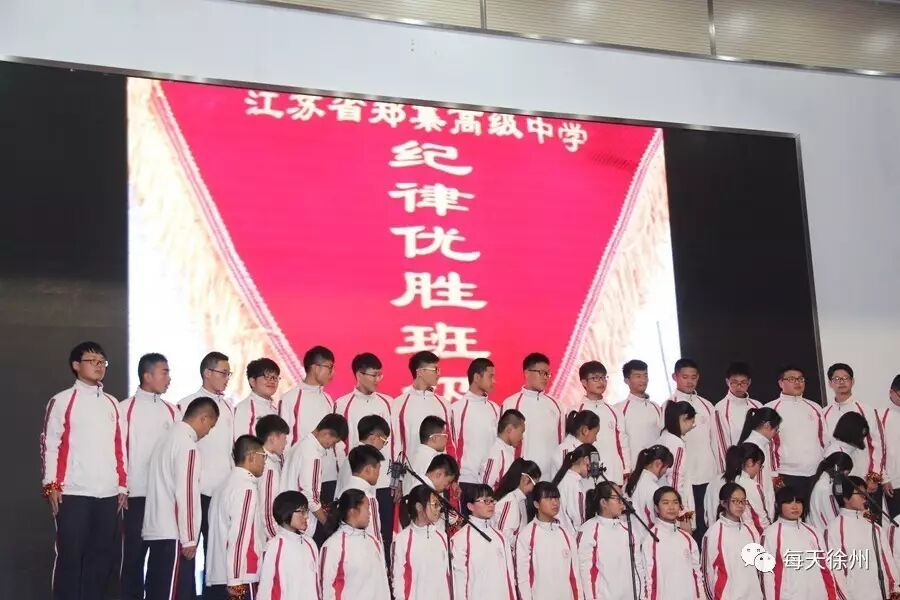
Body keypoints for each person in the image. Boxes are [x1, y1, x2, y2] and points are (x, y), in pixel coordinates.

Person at [41, 341, 127, 600]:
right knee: (70, 557)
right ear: (76, 365)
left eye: (102, 362)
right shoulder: (62, 401)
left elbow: (120, 447)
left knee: (100, 560)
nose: (99, 366)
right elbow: (50, 444)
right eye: (92, 361)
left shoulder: (112, 403)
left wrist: (122, 486)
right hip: (73, 492)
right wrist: (51, 484)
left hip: (108, 494)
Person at [143, 396, 219, 600]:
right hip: (174, 533)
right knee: (174, 593)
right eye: (210, 426)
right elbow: (186, 493)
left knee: (156, 591)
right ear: (203, 418)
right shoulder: (187, 446)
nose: (208, 432)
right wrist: (189, 538)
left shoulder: (165, 440)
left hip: (156, 530)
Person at [120, 352, 176, 600]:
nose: (169, 378)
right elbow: (117, 453)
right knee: (132, 558)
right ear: (147, 375)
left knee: (162, 561)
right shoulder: (124, 409)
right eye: (164, 372)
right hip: (135, 497)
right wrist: (122, 488)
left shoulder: (173, 411)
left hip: (165, 499)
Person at [176, 351, 235, 565]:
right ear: (207, 373)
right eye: (223, 373)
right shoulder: (185, 404)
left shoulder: (228, 406)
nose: (227, 378)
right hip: (195, 491)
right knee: (187, 553)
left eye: (229, 374)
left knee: (218, 555)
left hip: (222, 492)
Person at [333, 353, 393, 542]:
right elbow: (339, 445)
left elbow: (395, 443)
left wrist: (396, 479)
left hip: (383, 482)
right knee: (356, 532)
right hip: (355, 480)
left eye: (379, 375)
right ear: (359, 374)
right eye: (373, 375)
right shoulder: (343, 404)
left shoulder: (388, 402)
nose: (377, 379)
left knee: (384, 534)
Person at [205, 435, 267, 600]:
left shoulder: (221, 487)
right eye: (263, 456)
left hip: (218, 575)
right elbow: (239, 536)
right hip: (241, 578)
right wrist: (235, 582)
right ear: (251, 456)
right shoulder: (246, 488)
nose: (265, 462)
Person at [279, 346, 339, 506]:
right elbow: (284, 441)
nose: (332, 373)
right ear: (315, 367)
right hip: (302, 476)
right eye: (329, 367)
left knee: (327, 520)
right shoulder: (290, 398)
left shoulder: (328, 399)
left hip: (328, 476)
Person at [824, 475, 900, 600]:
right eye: (860, 493)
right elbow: (836, 571)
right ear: (845, 498)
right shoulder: (834, 529)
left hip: (882, 594)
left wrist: (895, 591)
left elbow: (887, 561)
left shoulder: (874, 527)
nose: (865, 497)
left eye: (865, 493)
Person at [668, 358, 718, 544]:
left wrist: (719, 472)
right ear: (675, 377)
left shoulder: (707, 405)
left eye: (693, 377)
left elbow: (716, 442)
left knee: (708, 521)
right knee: (687, 525)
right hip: (684, 477)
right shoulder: (668, 405)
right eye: (685, 377)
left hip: (707, 473)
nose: (689, 381)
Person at [281, 413, 348, 546]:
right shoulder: (312, 454)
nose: (331, 446)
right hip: (303, 525)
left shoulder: (300, 445)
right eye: (334, 442)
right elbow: (310, 497)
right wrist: (327, 524)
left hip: (289, 519)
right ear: (326, 433)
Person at [761, 486, 840, 600]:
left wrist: (832, 597)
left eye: (798, 502)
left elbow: (825, 568)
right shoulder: (770, 534)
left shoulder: (813, 532)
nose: (795, 506)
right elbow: (767, 576)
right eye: (789, 502)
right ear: (778, 505)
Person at [502, 353, 564, 480]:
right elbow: (504, 444)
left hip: (550, 480)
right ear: (527, 373)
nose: (545, 377)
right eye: (541, 373)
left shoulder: (556, 405)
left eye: (547, 374)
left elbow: (562, 443)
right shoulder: (511, 403)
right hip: (520, 479)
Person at [320, 488, 391, 600]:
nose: (369, 513)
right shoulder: (333, 545)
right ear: (353, 511)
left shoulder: (373, 541)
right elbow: (326, 589)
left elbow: (383, 584)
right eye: (367, 508)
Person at [334, 414, 392, 550]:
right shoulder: (361, 460)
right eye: (384, 440)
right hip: (358, 533)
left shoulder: (355, 456)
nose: (383, 445)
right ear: (374, 437)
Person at [515, 481, 581, 600]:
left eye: (556, 498)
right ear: (536, 504)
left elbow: (575, 575)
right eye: (549, 498)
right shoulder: (526, 535)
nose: (555, 503)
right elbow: (523, 579)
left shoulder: (566, 534)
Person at [770, 365, 825, 504]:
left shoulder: (815, 407)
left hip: (816, 473)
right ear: (781, 383)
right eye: (792, 379)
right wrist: (773, 475)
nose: (798, 382)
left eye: (800, 379)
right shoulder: (771, 409)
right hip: (786, 474)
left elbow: (824, 439)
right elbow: (767, 446)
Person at [452, 483, 517, 600]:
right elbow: (458, 584)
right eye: (485, 501)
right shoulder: (460, 539)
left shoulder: (501, 537)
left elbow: (509, 578)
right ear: (470, 506)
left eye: (492, 501)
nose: (491, 504)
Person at [452, 358, 500, 512]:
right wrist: (454, 480)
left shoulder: (496, 409)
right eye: (490, 376)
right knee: (466, 525)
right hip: (466, 482)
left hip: (491, 482)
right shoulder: (457, 409)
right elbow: (451, 447)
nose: (494, 381)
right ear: (477, 377)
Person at [392, 351, 455, 467]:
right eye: (435, 370)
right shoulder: (399, 404)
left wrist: (453, 472)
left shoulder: (444, 404)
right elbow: (394, 444)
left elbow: (450, 442)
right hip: (409, 474)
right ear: (420, 372)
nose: (438, 374)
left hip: (440, 474)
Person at [702, 482, 764, 599]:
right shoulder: (713, 533)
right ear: (724, 503)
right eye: (735, 501)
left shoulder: (750, 530)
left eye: (743, 501)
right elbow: (706, 573)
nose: (740, 505)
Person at [577, 481, 637, 600]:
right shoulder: (588, 530)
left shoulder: (628, 529)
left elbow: (637, 567)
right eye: (618, 499)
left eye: (623, 498)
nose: (623, 503)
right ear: (603, 502)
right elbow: (585, 574)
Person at [641, 487, 704, 600]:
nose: (671, 507)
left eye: (675, 502)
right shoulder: (651, 540)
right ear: (656, 508)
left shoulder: (687, 538)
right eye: (665, 503)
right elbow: (649, 580)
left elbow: (697, 575)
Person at [391, 484, 452, 600]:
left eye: (439, 504)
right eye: (434, 504)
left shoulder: (442, 536)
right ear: (419, 507)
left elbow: (449, 576)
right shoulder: (402, 539)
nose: (439, 508)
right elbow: (397, 580)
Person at [256, 491, 319, 600]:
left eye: (306, 511)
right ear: (286, 513)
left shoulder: (310, 543)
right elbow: (265, 590)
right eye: (302, 512)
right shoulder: (274, 547)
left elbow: (316, 585)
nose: (306, 516)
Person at [577, 361, 630, 485]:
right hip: (587, 475)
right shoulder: (576, 410)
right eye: (595, 378)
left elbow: (622, 441)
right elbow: (573, 444)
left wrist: (626, 469)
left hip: (613, 472)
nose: (601, 382)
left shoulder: (614, 411)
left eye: (603, 377)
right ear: (584, 382)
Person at [824, 364, 883, 461]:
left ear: (852, 381)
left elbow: (877, 443)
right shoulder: (824, 413)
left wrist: (875, 469)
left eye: (845, 378)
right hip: (835, 468)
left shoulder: (866, 410)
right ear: (830, 383)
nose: (841, 382)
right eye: (837, 379)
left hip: (862, 468)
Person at [656, 400, 696, 530]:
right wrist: (681, 513)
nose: (692, 427)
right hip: (675, 510)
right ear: (684, 418)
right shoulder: (676, 443)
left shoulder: (663, 438)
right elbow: (675, 478)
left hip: (664, 504)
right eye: (692, 422)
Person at [713, 362, 761, 466]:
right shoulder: (720, 408)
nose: (739, 386)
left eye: (743, 382)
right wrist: (729, 469)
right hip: (736, 466)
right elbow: (722, 444)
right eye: (734, 382)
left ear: (749, 382)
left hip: (757, 464)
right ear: (727, 381)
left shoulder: (758, 406)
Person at [737, 406, 782, 515]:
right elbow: (758, 484)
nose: (776, 433)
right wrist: (765, 513)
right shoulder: (755, 447)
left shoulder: (762, 444)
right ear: (767, 425)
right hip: (758, 509)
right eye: (776, 429)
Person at [343, 444, 387, 554]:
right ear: (368, 469)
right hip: (364, 553)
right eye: (378, 469)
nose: (379, 474)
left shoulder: (343, 492)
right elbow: (375, 536)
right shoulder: (368, 498)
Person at [619, 359, 663, 468]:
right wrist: (626, 470)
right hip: (634, 470)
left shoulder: (656, 407)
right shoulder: (619, 409)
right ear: (626, 380)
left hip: (657, 470)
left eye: (645, 375)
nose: (643, 380)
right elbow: (619, 444)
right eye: (638, 376)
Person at [624, 444, 674, 538]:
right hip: (646, 539)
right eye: (666, 467)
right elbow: (654, 521)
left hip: (629, 536)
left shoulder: (630, 481)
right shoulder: (653, 488)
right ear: (658, 463)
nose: (665, 472)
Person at [254, 414, 289, 541]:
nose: (286, 442)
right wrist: (278, 541)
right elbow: (267, 512)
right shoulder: (267, 467)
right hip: (266, 537)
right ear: (273, 438)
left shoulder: (265, 459)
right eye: (284, 438)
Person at [493, 458, 541, 545]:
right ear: (525, 479)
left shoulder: (521, 500)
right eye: (535, 484)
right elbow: (502, 537)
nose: (534, 489)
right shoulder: (509, 501)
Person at [552, 444, 594, 537]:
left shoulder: (563, 477)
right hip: (570, 536)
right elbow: (577, 520)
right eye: (594, 464)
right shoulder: (574, 484)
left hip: (559, 534)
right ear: (586, 460)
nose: (594, 469)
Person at [234, 358, 281, 439]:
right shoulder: (244, 408)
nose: (272, 381)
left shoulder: (276, 411)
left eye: (275, 377)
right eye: (267, 377)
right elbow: (244, 443)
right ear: (252, 381)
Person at [826, 411, 880, 482]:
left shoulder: (854, 450)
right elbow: (837, 484)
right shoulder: (835, 453)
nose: (862, 438)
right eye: (860, 435)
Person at [479, 409, 526, 490]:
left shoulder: (509, 451)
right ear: (509, 429)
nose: (522, 437)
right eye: (521, 432)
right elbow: (484, 491)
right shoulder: (495, 453)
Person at [548, 410, 600, 481]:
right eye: (595, 433)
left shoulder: (590, 452)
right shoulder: (565, 452)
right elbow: (567, 482)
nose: (596, 439)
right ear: (585, 430)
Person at [808, 451, 853, 532]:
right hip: (825, 531)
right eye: (847, 473)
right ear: (837, 470)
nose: (846, 477)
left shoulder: (822, 479)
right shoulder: (826, 487)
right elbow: (831, 517)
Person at [404, 415, 449, 493]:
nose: (446, 439)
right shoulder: (434, 459)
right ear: (434, 438)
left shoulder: (412, 457)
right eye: (445, 435)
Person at [883, 374, 900, 519]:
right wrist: (884, 477)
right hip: (894, 483)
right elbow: (875, 451)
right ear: (891, 392)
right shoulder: (881, 416)